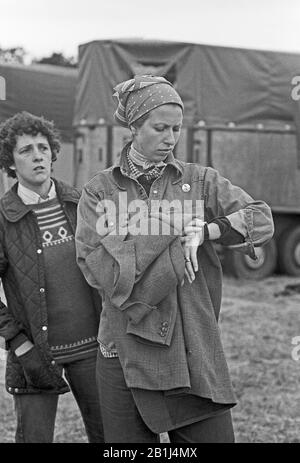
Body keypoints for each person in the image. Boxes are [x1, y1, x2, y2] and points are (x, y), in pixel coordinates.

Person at [75, 75, 274, 443]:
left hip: (191, 347)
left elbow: (260, 219)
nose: (170, 138)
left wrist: (206, 231)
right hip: (122, 351)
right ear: (134, 127)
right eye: (160, 127)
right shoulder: (100, 190)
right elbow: (95, 266)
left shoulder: (199, 181)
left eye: (177, 129)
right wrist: (168, 230)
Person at [0, 111, 104, 443]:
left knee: (112, 441)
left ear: (53, 153)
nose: (37, 156)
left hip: (94, 348)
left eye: (43, 148)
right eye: (26, 150)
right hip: (35, 355)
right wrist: (18, 343)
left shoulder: (81, 203)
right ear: (11, 162)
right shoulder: (4, 218)